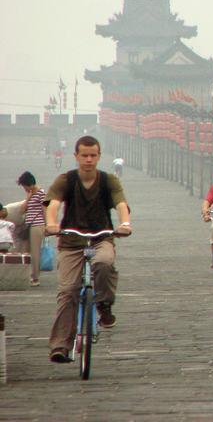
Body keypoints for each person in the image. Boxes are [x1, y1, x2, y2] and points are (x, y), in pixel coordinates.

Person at [43, 135, 131, 363]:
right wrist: (51, 224)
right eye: (84, 155)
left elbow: (121, 204)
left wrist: (125, 224)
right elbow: (53, 204)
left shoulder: (108, 181)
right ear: (76, 156)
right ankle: (60, 345)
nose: (89, 160)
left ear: (99, 156)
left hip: (102, 237)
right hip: (71, 241)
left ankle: (104, 304)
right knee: (68, 291)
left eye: (93, 155)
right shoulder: (67, 180)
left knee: (104, 263)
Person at [18, 171, 46, 286]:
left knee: (35, 252)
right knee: (26, 251)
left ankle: (35, 278)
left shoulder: (42, 193)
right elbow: (22, 210)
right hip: (29, 225)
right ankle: (27, 275)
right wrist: (28, 198)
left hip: (37, 226)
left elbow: (46, 208)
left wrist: (47, 225)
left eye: (24, 186)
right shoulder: (30, 194)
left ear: (29, 184)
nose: (24, 188)